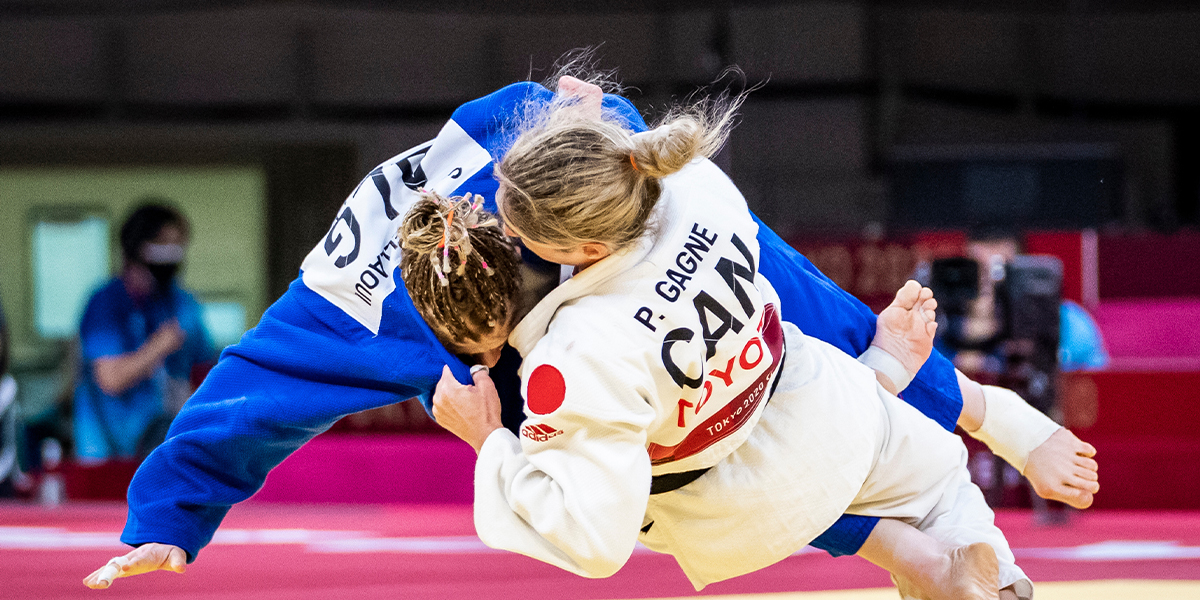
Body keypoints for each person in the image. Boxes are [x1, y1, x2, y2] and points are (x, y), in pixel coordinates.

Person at [84, 76, 1095, 591]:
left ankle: (910, 553)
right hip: (777, 414)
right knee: (790, 422)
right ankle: (928, 552)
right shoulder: (384, 292)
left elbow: (795, 297)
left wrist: (491, 444)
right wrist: (171, 513)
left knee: (658, 447)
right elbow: (270, 375)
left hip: (696, 473)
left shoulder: (621, 165)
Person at [428, 85, 1032, 598]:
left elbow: (594, 542)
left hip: (739, 503)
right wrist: (587, 136)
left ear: (585, 250)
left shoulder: (576, 352)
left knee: (656, 467)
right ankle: (982, 572)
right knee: (943, 487)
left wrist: (488, 438)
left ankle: (927, 549)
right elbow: (626, 176)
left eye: (516, 226)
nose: (506, 229)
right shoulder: (696, 186)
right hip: (828, 407)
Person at [73, 203, 215, 464]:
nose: (171, 253)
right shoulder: (106, 303)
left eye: (178, 244)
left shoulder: (182, 304)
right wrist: (157, 348)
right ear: (137, 246)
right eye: (163, 243)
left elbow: (203, 373)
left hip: (165, 450)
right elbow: (110, 378)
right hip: (107, 456)